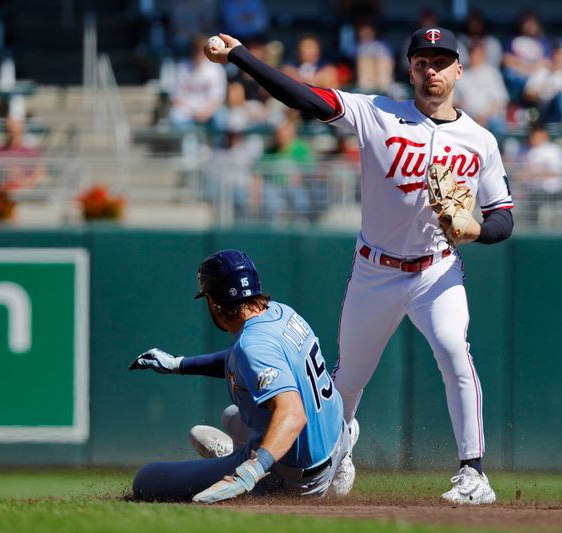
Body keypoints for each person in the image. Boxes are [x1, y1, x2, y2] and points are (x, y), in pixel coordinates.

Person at [205, 25, 514, 505]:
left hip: (437, 269)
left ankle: (473, 472)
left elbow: (503, 219)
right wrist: (242, 57)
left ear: (459, 68)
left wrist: (472, 229)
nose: (431, 70)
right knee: (347, 380)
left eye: (441, 61)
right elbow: (305, 99)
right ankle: (327, 456)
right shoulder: (378, 113)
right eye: (422, 62)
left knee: (456, 352)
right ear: (410, 69)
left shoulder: (480, 141)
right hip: (376, 270)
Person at [130, 249, 358, 502]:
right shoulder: (282, 312)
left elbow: (292, 414)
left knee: (147, 480)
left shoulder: (252, 346)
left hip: (297, 478)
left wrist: (251, 472)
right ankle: (340, 455)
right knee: (230, 416)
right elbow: (240, 361)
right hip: (336, 434)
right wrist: (179, 364)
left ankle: (243, 459)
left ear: (211, 302)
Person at [167, 35, 228, 130]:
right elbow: (175, 97)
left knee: (221, 117)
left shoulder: (216, 69)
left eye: (202, 50)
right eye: (196, 50)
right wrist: (192, 112)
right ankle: (187, 144)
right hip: (187, 112)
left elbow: (218, 98)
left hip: (209, 112)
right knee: (175, 116)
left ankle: (216, 144)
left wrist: (204, 113)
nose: (199, 53)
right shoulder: (181, 68)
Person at [453, 41, 508, 137]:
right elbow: (453, 101)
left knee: (498, 126)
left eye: (478, 54)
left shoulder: (492, 73)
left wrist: (484, 117)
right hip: (467, 116)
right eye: (472, 53)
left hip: (490, 118)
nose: (475, 57)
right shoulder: (460, 73)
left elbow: (501, 101)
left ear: (484, 55)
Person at [0, 117, 46, 191]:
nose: (13, 135)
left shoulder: (32, 152)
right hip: (7, 192)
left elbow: (41, 172)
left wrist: (28, 181)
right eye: (10, 131)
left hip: (27, 192)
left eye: (17, 132)